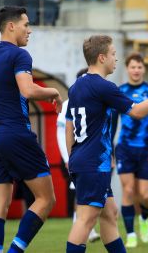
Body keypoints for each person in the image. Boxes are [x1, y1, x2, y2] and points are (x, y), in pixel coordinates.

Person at [65, 35, 148, 252]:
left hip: (83, 160)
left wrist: (72, 156)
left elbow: (69, 125)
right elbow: (138, 112)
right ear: (102, 58)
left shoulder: (76, 86)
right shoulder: (105, 87)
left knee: (110, 214)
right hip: (93, 163)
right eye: (113, 54)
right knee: (85, 219)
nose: (116, 59)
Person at [0, 6, 63, 253]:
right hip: (15, 133)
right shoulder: (19, 55)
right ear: (11, 26)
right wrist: (54, 91)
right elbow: (28, 90)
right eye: (26, 24)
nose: (30, 30)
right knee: (46, 199)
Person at [110, 52, 148, 248]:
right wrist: (110, 150)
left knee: (146, 196)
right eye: (132, 67)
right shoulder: (119, 91)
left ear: (144, 69)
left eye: (139, 67)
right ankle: (131, 234)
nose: (136, 70)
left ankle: (144, 219)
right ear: (127, 69)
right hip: (125, 148)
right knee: (129, 190)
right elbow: (113, 123)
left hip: (147, 149)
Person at [56, 68, 101, 243]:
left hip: (93, 157)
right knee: (81, 194)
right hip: (77, 157)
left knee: (98, 198)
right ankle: (83, 229)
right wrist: (67, 158)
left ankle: (85, 228)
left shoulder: (96, 101)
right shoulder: (68, 103)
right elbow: (61, 132)